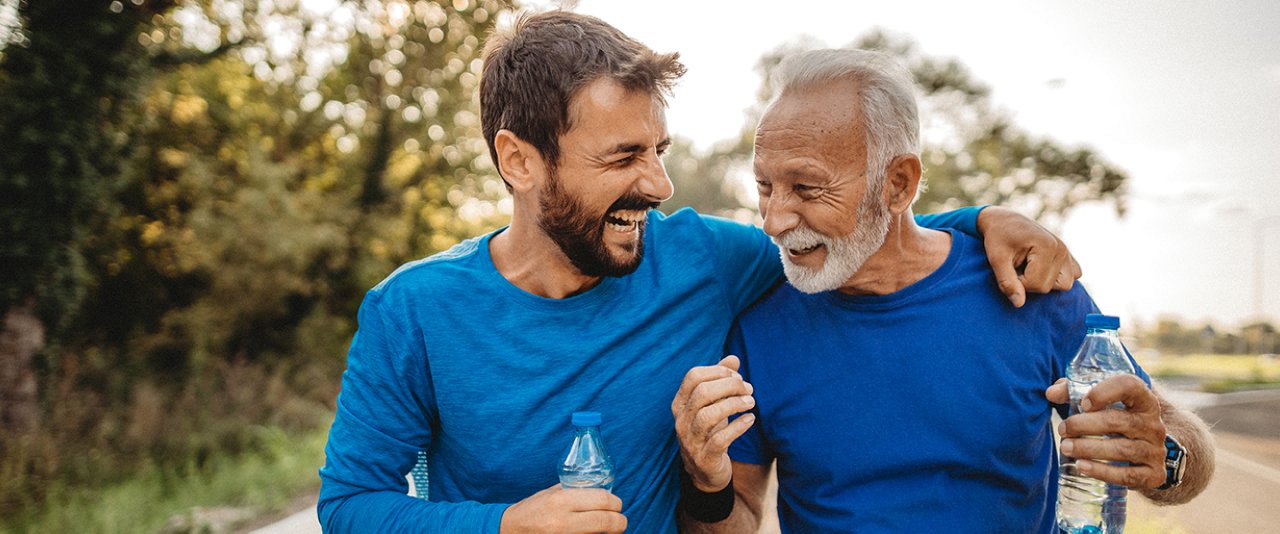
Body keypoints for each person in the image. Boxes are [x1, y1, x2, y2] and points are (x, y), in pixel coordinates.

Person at [317, 12, 1082, 534]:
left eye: (659, 151)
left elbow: (855, 236)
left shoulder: (707, 262)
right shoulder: (412, 311)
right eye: (622, 157)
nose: (657, 185)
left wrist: (979, 221)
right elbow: (349, 505)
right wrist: (505, 524)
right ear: (519, 160)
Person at [672, 48, 1215, 533]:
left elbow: (1182, 444)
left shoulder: (1028, 288)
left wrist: (1166, 458)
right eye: (764, 186)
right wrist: (706, 482)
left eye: (807, 187)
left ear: (898, 184)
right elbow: (735, 517)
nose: (773, 219)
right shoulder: (760, 326)